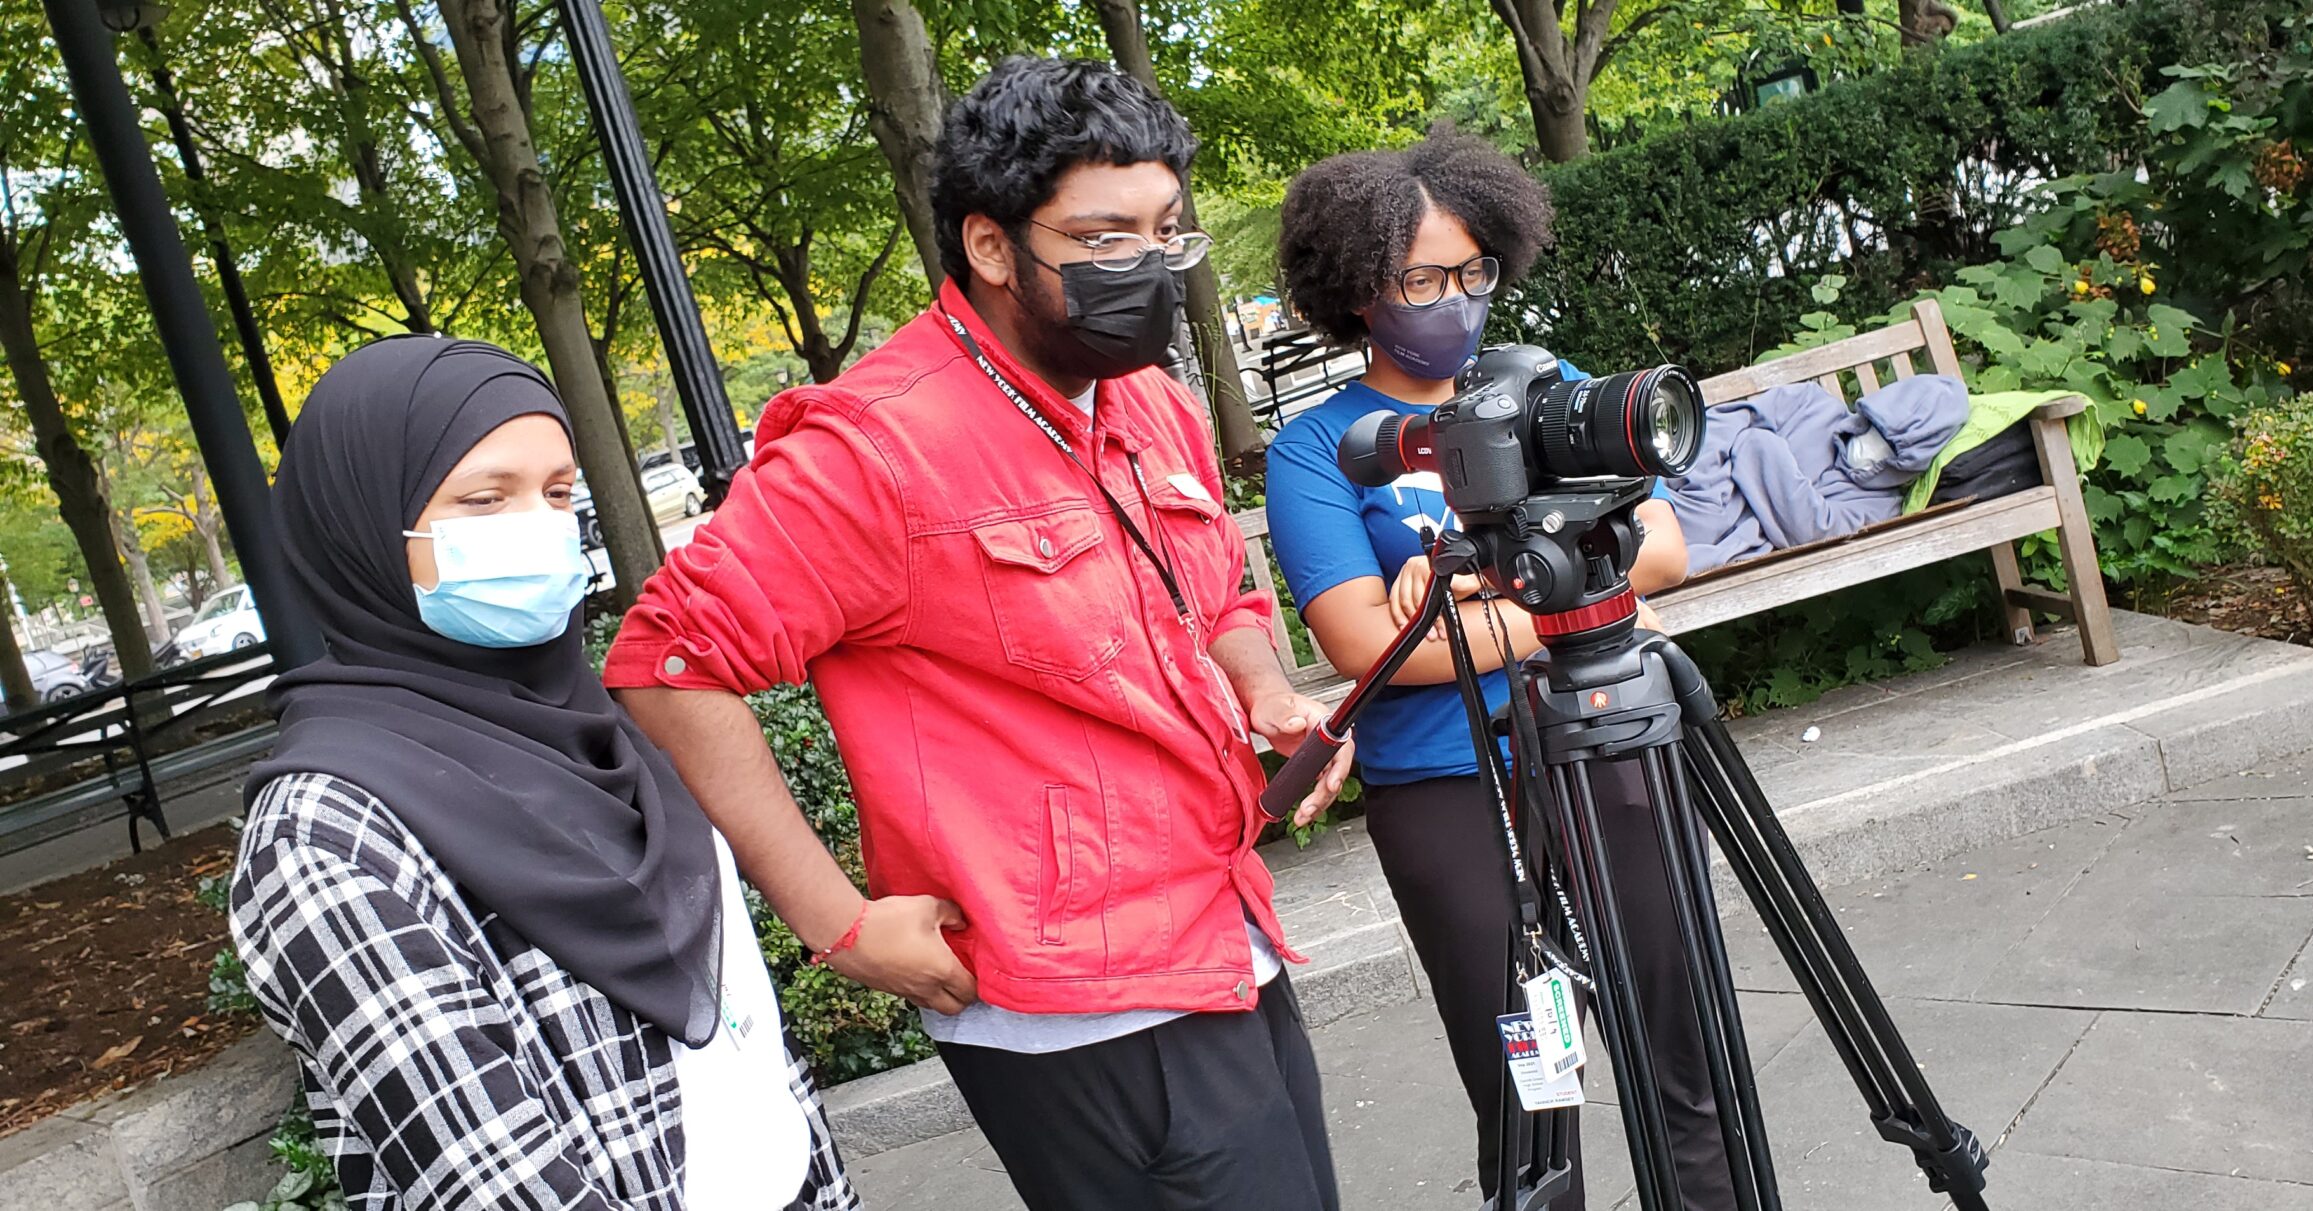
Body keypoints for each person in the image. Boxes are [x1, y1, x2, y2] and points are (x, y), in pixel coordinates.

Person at [603, 57, 1353, 1211]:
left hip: (1222, 926)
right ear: (991, 245)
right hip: (1073, 1004)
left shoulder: (1145, 393)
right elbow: (664, 662)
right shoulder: (869, 449)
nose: (1144, 269)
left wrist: (1263, 687)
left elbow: (1214, 596)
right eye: (1103, 240)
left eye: (1164, 233)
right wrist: (836, 920)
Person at [228, 335, 858, 1210]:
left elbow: (744, 1031)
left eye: (559, 493)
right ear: (362, 529)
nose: (538, 526)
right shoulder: (327, 832)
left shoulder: (593, 728)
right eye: (485, 498)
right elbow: (491, 1182)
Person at [1264, 126, 1739, 1211]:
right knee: (1526, 1086)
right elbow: (1364, 648)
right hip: (1445, 790)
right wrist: (1558, 593)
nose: (1455, 298)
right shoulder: (1319, 448)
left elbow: (1659, 547)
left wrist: (1466, 589)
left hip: (1603, 740)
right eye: (1420, 277)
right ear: (1356, 290)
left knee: (1683, 1039)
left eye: (1472, 270)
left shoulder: (1548, 386)